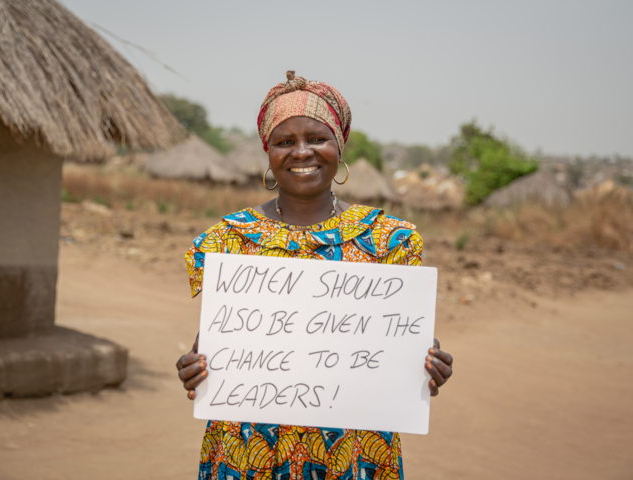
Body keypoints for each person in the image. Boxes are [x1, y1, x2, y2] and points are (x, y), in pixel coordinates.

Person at [176, 71, 453, 480]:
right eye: (284, 142)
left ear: (339, 147)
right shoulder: (227, 241)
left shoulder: (389, 240)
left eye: (317, 139)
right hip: (248, 452)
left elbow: (399, 340)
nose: (301, 152)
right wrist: (194, 366)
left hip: (354, 452)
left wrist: (424, 364)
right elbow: (217, 345)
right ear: (267, 153)